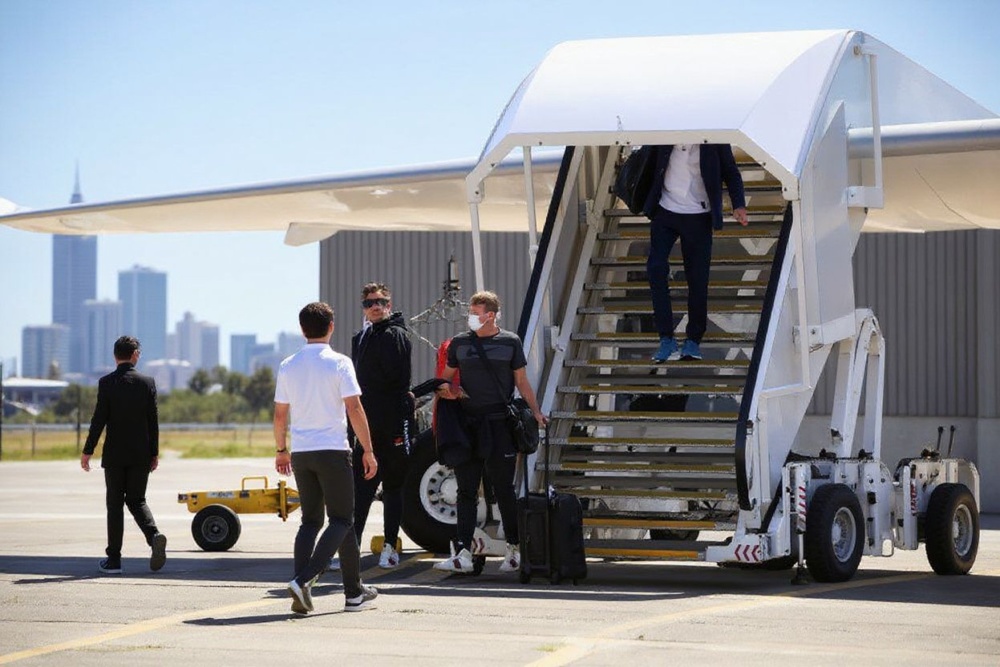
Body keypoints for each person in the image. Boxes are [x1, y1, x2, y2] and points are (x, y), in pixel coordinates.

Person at [274, 301, 379, 614]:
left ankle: (353, 593)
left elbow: (280, 414)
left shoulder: (288, 364)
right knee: (343, 519)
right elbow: (354, 408)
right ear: (330, 327)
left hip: (303, 454)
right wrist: (369, 450)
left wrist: (281, 449)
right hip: (333, 451)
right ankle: (305, 580)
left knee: (311, 522)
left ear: (302, 329)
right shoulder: (340, 362)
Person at [432, 291, 547, 573]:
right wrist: (449, 392)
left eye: (476, 312)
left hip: (499, 424)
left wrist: (535, 412)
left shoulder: (510, 342)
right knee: (466, 490)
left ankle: (514, 549)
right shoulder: (459, 343)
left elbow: (521, 382)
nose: (471, 317)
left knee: (504, 488)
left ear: (491, 315)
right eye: (470, 312)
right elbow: (443, 381)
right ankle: (463, 553)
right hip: (468, 424)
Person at [640, 144, 748, 363]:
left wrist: (739, 205)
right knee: (655, 268)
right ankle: (666, 338)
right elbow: (646, 157)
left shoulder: (714, 139)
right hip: (665, 210)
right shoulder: (668, 131)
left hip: (699, 215)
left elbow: (730, 169)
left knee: (697, 280)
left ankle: (693, 340)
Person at [80, 335, 167, 575]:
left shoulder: (107, 383)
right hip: (140, 454)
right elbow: (153, 422)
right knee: (137, 500)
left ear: (115, 355)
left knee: (114, 505)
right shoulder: (147, 382)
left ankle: (114, 561)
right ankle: (154, 536)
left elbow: (99, 419)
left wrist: (88, 450)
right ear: (135, 354)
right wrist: (154, 453)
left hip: (115, 455)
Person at [350, 282, 414, 569]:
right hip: (365, 424)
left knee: (393, 487)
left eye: (381, 301)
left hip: (392, 424)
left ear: (389, 304)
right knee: (361, 488)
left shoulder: (395, 335)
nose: (375, 306)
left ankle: (390, 545)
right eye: (369, 303)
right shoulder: (361, 338)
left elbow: (395, 380)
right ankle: (351, 546)